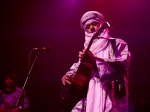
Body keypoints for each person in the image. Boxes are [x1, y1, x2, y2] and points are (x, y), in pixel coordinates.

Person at [61, 11, 133, 112]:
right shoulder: (87, 50)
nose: (91, 28)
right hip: (86, 102)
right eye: (88, 26)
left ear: (102, 25)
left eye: (94, 24)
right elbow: (77, 69)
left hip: (110, 102)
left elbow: (122, 68)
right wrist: (69, 76)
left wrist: (94, 61)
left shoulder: (116, 43)